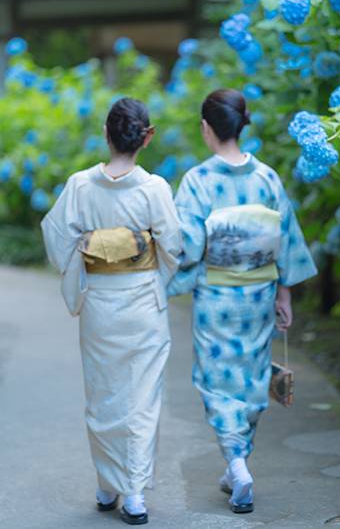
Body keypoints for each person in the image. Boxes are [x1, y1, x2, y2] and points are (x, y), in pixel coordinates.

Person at [168, 88, 317, 514]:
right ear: (240, 124)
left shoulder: (199, 181)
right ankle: (238, 463)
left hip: (217, 294)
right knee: (252, 377)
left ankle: (236, 462)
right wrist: (284, 293)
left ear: (206, 128)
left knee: (216, 381)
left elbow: (189, 246)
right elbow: (286, 239)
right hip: (258, 293)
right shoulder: (267, 177)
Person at [41, 97, 181, 525]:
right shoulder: (154, 188)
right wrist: (153, 273)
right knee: (140, 399)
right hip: (141, 304)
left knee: (103, 394)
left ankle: (107, 484)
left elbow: (56, 238)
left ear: (106, 134)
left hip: (101, 303)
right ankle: (134, 493)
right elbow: (172, 245)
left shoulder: (80, 185)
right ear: (147, 137)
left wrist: (89, 256)